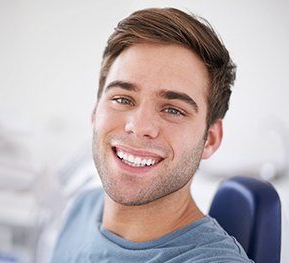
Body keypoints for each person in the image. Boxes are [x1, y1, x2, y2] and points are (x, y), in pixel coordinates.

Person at [51, 7, 253, 262]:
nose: (139, 126)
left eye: (173, 110)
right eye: (123, 99)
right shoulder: (82, 209)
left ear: (210, 139)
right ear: (95, 112)